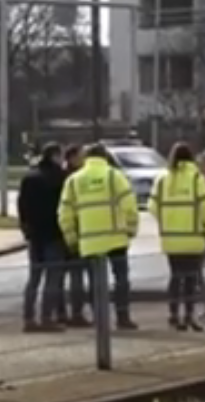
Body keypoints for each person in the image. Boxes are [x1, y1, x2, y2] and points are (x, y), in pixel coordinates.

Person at [58, 142, 140, 330]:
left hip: (89, 240)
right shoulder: (115, 176)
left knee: (96, 282)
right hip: (117, 238)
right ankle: (123, 316)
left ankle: (100, 318)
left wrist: (71, 237)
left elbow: (65, 212)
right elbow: (130, 205)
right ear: (105, 157)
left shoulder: (74, 180)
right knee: (121, 279)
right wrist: (131, 229)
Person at [149, 141, 205, 331]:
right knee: (190, 279)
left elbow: (152, 207)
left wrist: (167, 221)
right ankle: (188, 316)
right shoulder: (196, 178)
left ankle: (173, 315)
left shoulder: (162, 179)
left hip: (171, 239)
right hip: (194, 238)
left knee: (175, 277)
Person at [17, 142, 68, 333]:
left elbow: (22, 206)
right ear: (55, 156)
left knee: (34, 278)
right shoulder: (60, 178)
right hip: (54, 234)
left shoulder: (29, 178)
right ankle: (47, 317)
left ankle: (28, 317)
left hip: (35, 235)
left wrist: (26, 229)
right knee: (53, 278)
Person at [55, 144, 91, 326]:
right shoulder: (74, 179)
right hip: (73, 231)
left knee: (61, 276)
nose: (84, 160)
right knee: (75, 275)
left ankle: (61, 312)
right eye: (81, 156)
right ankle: (75, 313)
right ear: (71, 158)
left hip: (61, 231)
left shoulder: (63, 176)